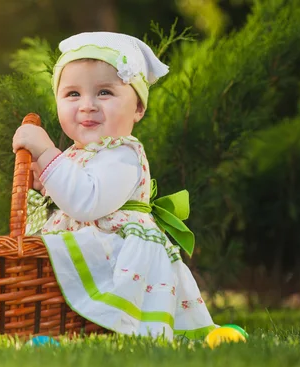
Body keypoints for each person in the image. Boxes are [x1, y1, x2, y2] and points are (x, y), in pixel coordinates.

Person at [12, 32, 215, 340]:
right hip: (93, 252)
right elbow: (69, 190)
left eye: (104, 92)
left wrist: (48, 154)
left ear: (138, 109)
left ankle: (118, 326)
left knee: (125, 328)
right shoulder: (77, 154)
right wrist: (45, 178)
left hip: (121, 260)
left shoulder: (124, 154)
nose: (87, 106)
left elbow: (86, 200)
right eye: (72, 94)